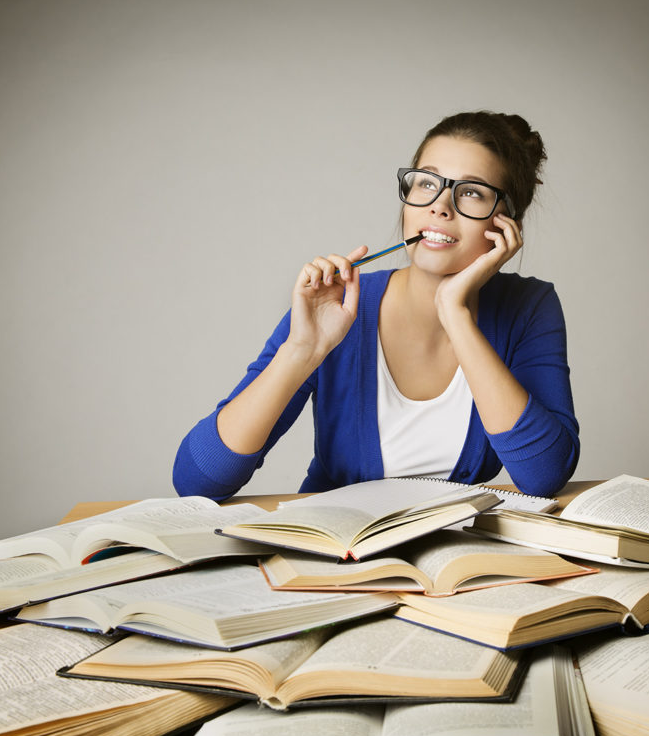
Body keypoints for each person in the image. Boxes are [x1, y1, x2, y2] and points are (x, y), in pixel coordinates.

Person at [174, 111, 579, 500]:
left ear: (507, 226)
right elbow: (197, 481)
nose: (440, 205)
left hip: (453, 556)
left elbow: (544, 475)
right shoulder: (337, 303)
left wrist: (455, 313)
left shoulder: (529, 307)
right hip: (339, 557)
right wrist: (302, 351)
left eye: (471, 192)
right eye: (426, 183)